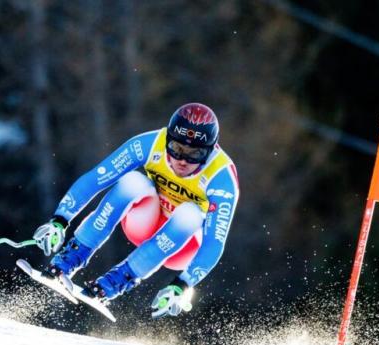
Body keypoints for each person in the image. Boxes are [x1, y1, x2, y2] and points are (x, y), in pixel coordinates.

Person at [32, 103, 239, 318]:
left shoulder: (221, 177)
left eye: (195, 154)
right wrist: (60, 219)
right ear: (168, 139)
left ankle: (116, 282)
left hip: (182, 248)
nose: (182, 161)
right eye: (176, 149)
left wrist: (183, 284)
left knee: (192, 214)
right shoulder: (150, 144)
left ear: (211, 150)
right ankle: (69, 259)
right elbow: (97, 178)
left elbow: (215, 240)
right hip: (144, 223)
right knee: (133, 182)